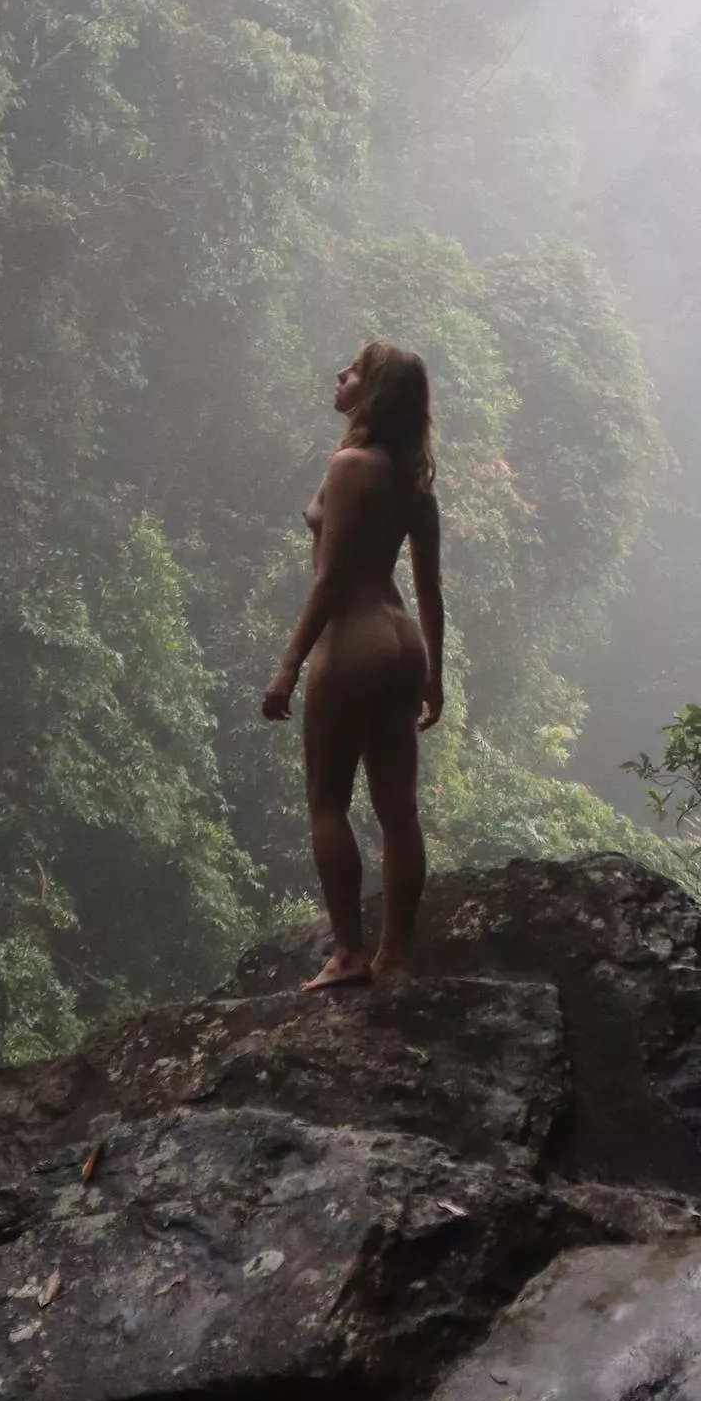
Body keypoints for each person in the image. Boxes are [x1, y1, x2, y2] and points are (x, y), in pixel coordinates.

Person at [263, 339, 445, 986]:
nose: (339, 375)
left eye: (354, 371)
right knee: (398, 809)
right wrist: (435, 674)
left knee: (327, 801)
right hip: (401, 641)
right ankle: (394, 955)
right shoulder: (411, 483)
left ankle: (347, 953)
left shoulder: (349, 468)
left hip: (354, 639)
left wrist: (287, 666)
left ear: (373, 392)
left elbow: (331, 580)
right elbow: (428, 589)